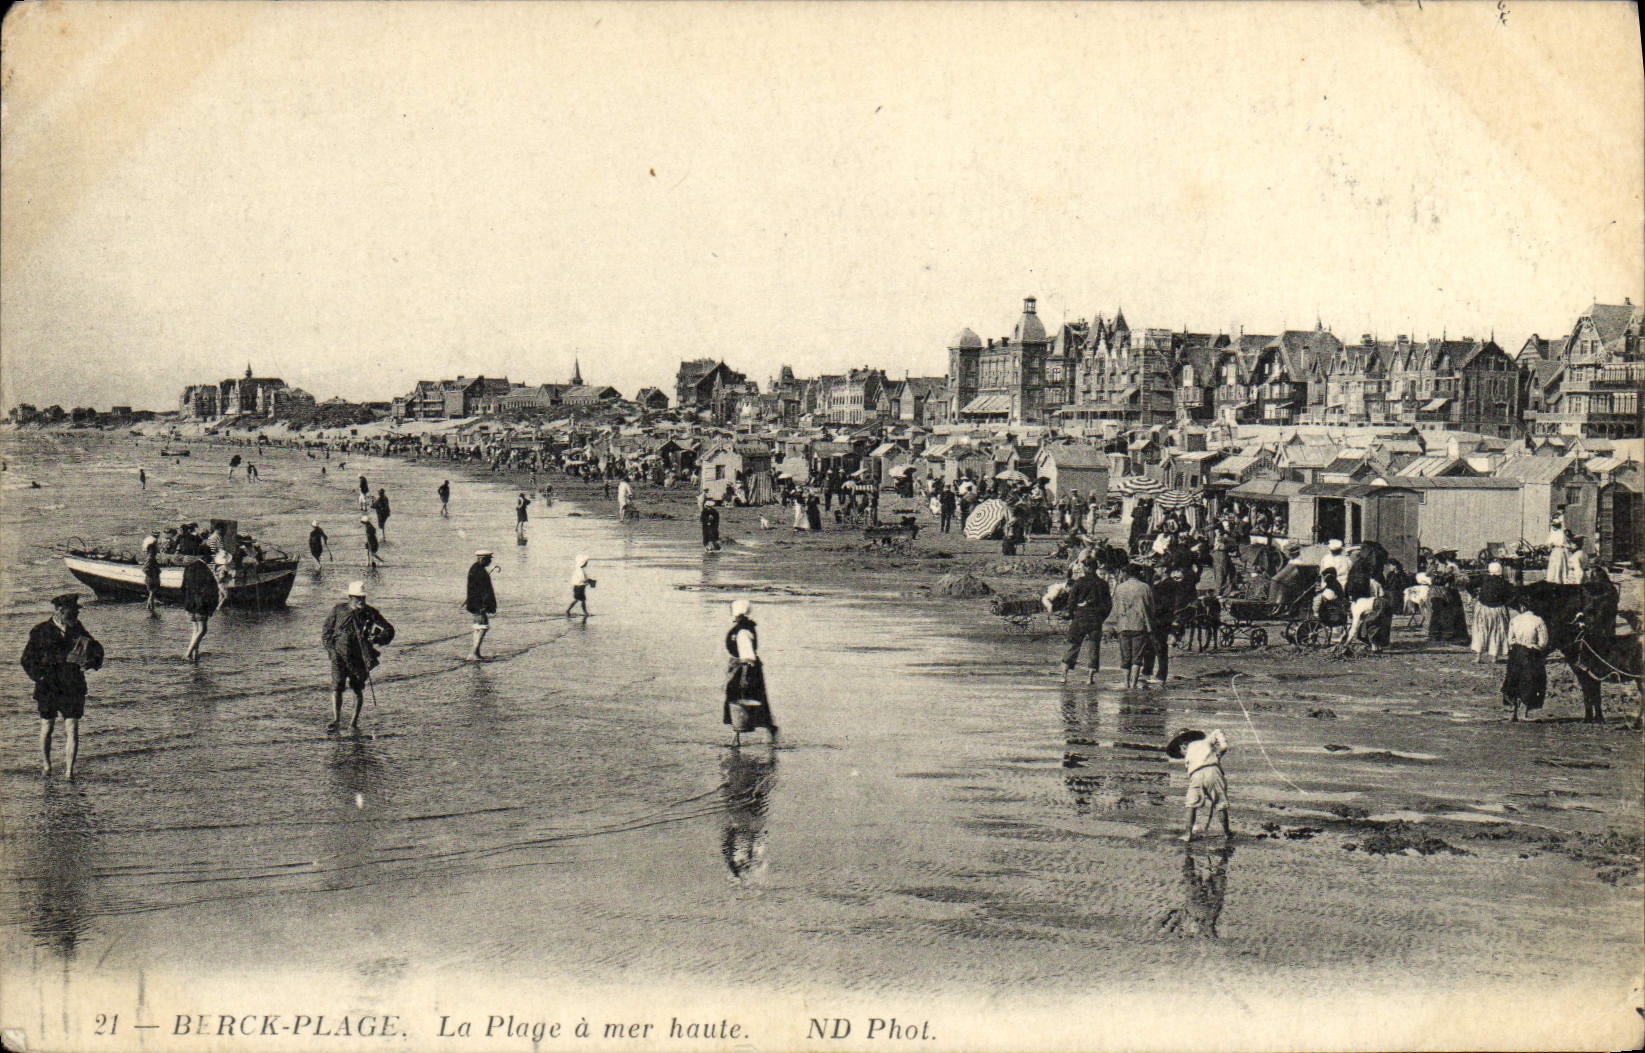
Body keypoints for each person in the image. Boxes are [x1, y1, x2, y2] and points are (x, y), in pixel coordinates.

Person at [21, 594, 104, 779]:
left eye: (76, 611)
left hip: (72, 685)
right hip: (48, 686)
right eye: (72, 611)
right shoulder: (40, 631)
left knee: (72, 728)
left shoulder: (78, 628)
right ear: (60, 611)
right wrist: (39, 677)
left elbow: (97, 649)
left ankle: (69, 772)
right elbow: (26, 659)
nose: (76, 614)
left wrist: (91, 662)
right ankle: (46, 767)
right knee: (47, 727)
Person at [320, 580, 396, 732]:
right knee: (337, 687)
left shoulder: (370, 612)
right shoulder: (338, 610)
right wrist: (331, 651)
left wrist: (376, 638)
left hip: (360, 656)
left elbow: (389, 629)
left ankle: (353, 723)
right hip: (339, 655)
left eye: (363, 598)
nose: (361, 601)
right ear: (350, 597)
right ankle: (336, 719)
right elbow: (326, 632)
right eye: (358, 598)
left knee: (357, 689)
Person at [723, 599, 778, 746]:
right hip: (747, 668)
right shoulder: (744, 628)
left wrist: (744, 677)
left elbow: (748, 656)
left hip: (745, 669)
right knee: (755, 699)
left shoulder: (743, 632)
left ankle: (738, 736)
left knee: (738, 698)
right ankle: (769, 729)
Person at [1168, 728, 1232, 842]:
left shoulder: (1189, 749)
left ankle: (1188, 834)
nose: (1182, 754)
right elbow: (1217, 731)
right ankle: (1227, 833)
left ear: (1183, 746)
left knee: (1191, 804)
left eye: (1181, 752)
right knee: (1220, 804)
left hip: (1196, 775)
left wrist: (1220, 750)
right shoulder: (1205, 742)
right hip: (1213, 771)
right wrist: (1222, 748)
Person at [1060, 562, 1112, 684]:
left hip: (1080, 617)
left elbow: (1071, 601)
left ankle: (1064, 676)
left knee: (1072, 645)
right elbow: (1108, 605)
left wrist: (1072, 613)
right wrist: (1101, 617)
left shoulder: (1079, 582)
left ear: (1087, 568)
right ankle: (1089, 678)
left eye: (1084, 566)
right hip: (1095, 619)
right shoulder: (1103, 584)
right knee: (1094, 648)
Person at [1502, 597, 1549, 721]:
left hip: (1516, 653)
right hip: (1531, 654)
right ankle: (1525, 713)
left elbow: (1510, 639)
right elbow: (1543, 642)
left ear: (1522, 607)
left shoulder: (1515, 620)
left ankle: (1514, 712)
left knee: (1513, 680)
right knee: (1530, 681)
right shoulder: (1538, 621)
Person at [1111, 563, 1156, 689]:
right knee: (1137, 657)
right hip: (1140, 624)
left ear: (1127, 574)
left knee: (1125, 656)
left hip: (1123, 624)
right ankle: (1134, 684)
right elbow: (1151, 608)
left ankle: (1125, 683)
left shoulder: (1120, 588)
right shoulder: (1145, 587)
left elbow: (1115, 606)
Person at [181, 553, 222, 662]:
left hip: (190, 603)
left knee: (196, 629)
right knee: (203, 629)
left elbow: (183, 587)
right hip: (201, 604)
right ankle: (188, 653)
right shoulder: (205, 570)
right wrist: (212, 605)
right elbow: (211, 589)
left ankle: (196, 654)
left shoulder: (189, 568)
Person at [1470, 562, 1513, 664]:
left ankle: (1478, 656)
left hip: (1483, 608)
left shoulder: (1483, 579)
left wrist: (1474, 595)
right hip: (1498, 609)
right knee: (1497, 631)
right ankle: (1494, 657)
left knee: (1480, 631)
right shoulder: (1504, 583)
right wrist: (1505, 603)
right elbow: (1513, 594)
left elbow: (1468, 585)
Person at [465, 550, 497, 660]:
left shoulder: (474, 568)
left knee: (478, 627)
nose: (490, 561)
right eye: (489, 559)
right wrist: (486, 606)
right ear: (482, 559)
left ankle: (475, 652)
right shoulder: (480, 572)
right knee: (483, 626)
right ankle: (474, 653)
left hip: (474, 604)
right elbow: (484, 591)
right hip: (479, 605)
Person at [1544, 511, 1572, 584]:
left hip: (1560, 551)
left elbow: (1564, 542)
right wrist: (1549, 547)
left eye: (1555, 525)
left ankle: (1559, 581)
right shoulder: (1553, 532)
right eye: (1553, 525)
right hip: (1554, 552)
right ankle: (1552, 580)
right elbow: (1549, 542)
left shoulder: (1562, 533)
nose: (1554, 527)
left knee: (1559, 566)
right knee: (1553, 567)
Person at [141, 529, 162, 614]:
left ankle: (150, 608)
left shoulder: (151, 557)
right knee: (152, 593)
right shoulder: (151, 557)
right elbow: (145, 568)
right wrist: (151, 575)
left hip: (152, 577)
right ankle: (150, 609)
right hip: (152, 578)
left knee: (151, 594)